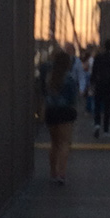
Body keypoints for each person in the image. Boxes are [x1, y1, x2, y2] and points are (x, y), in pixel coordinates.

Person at [43, 48, 79, 184]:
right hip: (65, 112)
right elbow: (72, 98)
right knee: (65, 143)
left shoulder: (49, 76)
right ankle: (62, 173)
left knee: (54, 143)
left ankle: (52, 172)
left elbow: (44, 93)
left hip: (51, 112)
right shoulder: (69, 78)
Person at [90, 39, 110, 139]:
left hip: (99, 83)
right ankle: (106, 130)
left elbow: (94, 71)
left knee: (97, 105)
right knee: (107, 107)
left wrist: (92, 83)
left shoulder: (98, 57)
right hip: (109, 84)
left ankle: (97, 124)